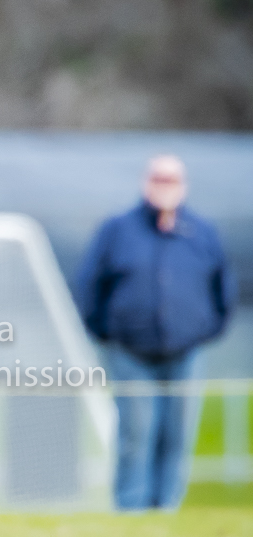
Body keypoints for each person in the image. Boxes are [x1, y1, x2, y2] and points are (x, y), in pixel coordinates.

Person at [76, 155, 234, 511]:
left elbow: (223, 286)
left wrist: (205, 329)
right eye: (158, 179)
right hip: (130, 350)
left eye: (172, 179)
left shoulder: (202, 231)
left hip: (185, 350)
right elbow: (89, 285)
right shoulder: (118, 229)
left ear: (184, 185)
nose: (165, 186)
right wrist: (106, 332)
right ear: (146, 182)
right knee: (137, 431)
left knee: (177, 433)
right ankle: (131, 507)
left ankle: (167, 506)